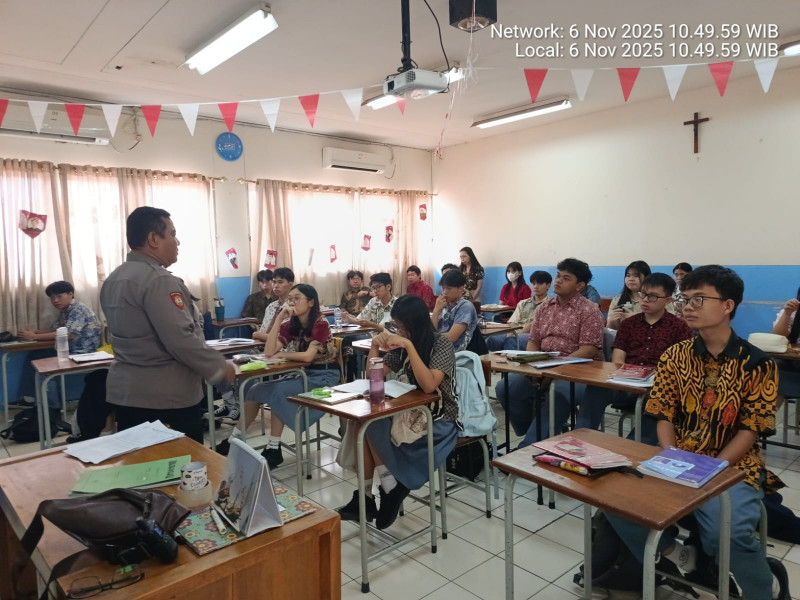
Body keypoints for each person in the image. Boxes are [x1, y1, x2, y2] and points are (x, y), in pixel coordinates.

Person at [605, 265, 789, 600]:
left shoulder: (757, 363)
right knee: (613, 500)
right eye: (684, 299)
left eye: (698, 299)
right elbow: (663, 413)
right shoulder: (676, 356)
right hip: (679, 456)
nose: (687, 307)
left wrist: (712, 469)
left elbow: (750, 430)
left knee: (727, 533)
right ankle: (679, 555)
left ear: (728, 305)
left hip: (733, 465)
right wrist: (672, 455)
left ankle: (766, 588)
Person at [100, 206, 235, 443]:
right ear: (153, 239)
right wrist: (219, 367)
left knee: (141, 462)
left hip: (128, 393)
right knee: (180, 463)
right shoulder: (159, 280)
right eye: (172, 234)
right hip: (165, 397)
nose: (177, 242)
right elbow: (180, 339)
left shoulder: (114, 278)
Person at [335, 295, 459, 529]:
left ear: (415, 324)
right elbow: (373, 376)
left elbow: (429, 386)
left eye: (402, 327)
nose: (399, 332)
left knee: (371, 424)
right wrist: (375, 346)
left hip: (440, 419)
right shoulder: (402, 344)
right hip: (410, 410)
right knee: (362, 421)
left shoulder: (441, 344)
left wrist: (409, 346)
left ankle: (388, 488)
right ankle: (368, 495)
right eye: (397, 327)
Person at [218, 284, 339, 466]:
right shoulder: (291, 324)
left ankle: (274, 448)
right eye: (290, 299)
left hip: (325, 376)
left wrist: (282, 354)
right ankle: (234, 439)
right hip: (303, 373)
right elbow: (269, 352)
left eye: (297, 298)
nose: (292, 303)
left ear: (311, 302)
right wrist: (279, 319)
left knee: (277, 392)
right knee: (255, 389)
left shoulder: (320, 323)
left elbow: (308, 357)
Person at [495, 258, 604, 447]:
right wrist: (532, 365)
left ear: (579, 285)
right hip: (544, 365)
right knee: (505, 387)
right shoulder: (545, 307)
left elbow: (589, 349)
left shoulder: (589, 310)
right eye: (558, 276)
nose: (558, 281)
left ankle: (529, 447)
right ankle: (534, 431)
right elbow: (533, 341)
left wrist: (554, 371)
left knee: (557, 393)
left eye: (566, 278)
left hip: (578, 370)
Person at [577, 273, 693, 440]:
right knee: (596, 389)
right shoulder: (629, 324)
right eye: (643, 294)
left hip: (658, 388)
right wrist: (629, 377)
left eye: (652, 296)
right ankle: (579, 440)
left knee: (660, 401)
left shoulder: (679, 327)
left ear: (668, 300)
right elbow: (618, 360)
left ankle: (631, 449)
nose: (645, 300)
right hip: (626, 384)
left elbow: (680, 366)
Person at [18, 280, 102, 408]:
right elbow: (54, 329)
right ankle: (31, 398)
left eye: (59, 296)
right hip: (69, 351)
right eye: (52, 298)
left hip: (83, 354)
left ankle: (52, 407)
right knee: (35, 355)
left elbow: (67, 333)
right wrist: (32, 332)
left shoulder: (78, 310)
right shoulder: (65, 310)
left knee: (45, 367)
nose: (55, 300)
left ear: (71, 294)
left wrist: (34, 337)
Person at [486, 270, 551, 352]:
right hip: (514, 332)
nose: (536, 286)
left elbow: (533, 326)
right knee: (490, 339)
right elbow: (512, 322)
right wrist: (511, 333)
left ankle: (509, 360)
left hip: (531, 335)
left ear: (548, 286)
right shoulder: (523, 303)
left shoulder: (550, 305)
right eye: (534, 283)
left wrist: (516, 334)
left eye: (540, 283)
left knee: (512, 341)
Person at [432, 269, 478, 352]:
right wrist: (436, 311)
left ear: (460, 288)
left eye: (449, 288)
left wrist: (429, 337)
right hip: (439, 349)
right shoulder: (443, 304)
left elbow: (451, 337)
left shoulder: (465, 306)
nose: (445, 292)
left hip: (455, 353)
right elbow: (433, 329)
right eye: (443, 288)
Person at [771, 286, 800, 402]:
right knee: (774, 367)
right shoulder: (794, 312)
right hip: (791, 361)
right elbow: (777, 336)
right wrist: (787, 314)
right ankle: (768, 411)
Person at [607, 261, 652, 329]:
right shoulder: (617, 300)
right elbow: (610, 330)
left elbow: (663, 326)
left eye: (636, 276)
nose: (631, 279)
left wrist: (638, 318)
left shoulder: (655, 300)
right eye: (628, 276)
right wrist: (611, 321)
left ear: (647, 277)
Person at [253, 267, 294, 342]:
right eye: (274, 282)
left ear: (290, 284)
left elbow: (280, 338)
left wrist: (256, 334)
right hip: (263, 345)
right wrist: (258, 338)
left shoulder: (293, 307)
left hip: (282, 347)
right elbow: (263, 331)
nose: (276, 286)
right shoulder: (271, 306)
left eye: (280, 282)